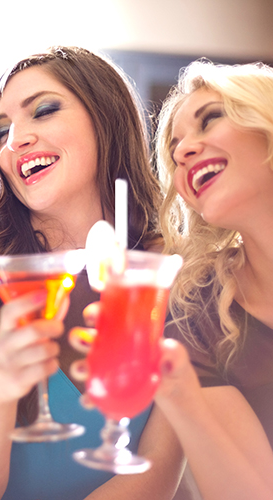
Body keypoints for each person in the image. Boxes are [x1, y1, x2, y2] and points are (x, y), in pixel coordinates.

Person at [0, 46, 185, 500]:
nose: (15, 142)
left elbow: (155, 476)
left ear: (105, 117)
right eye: (2, 133)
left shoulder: (170, 272)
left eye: (44, 110)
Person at [151, 59, 273, 499]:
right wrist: (181, 397)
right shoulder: (197, 302)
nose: (183, 151)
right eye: (175, 148)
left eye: (211, 119)